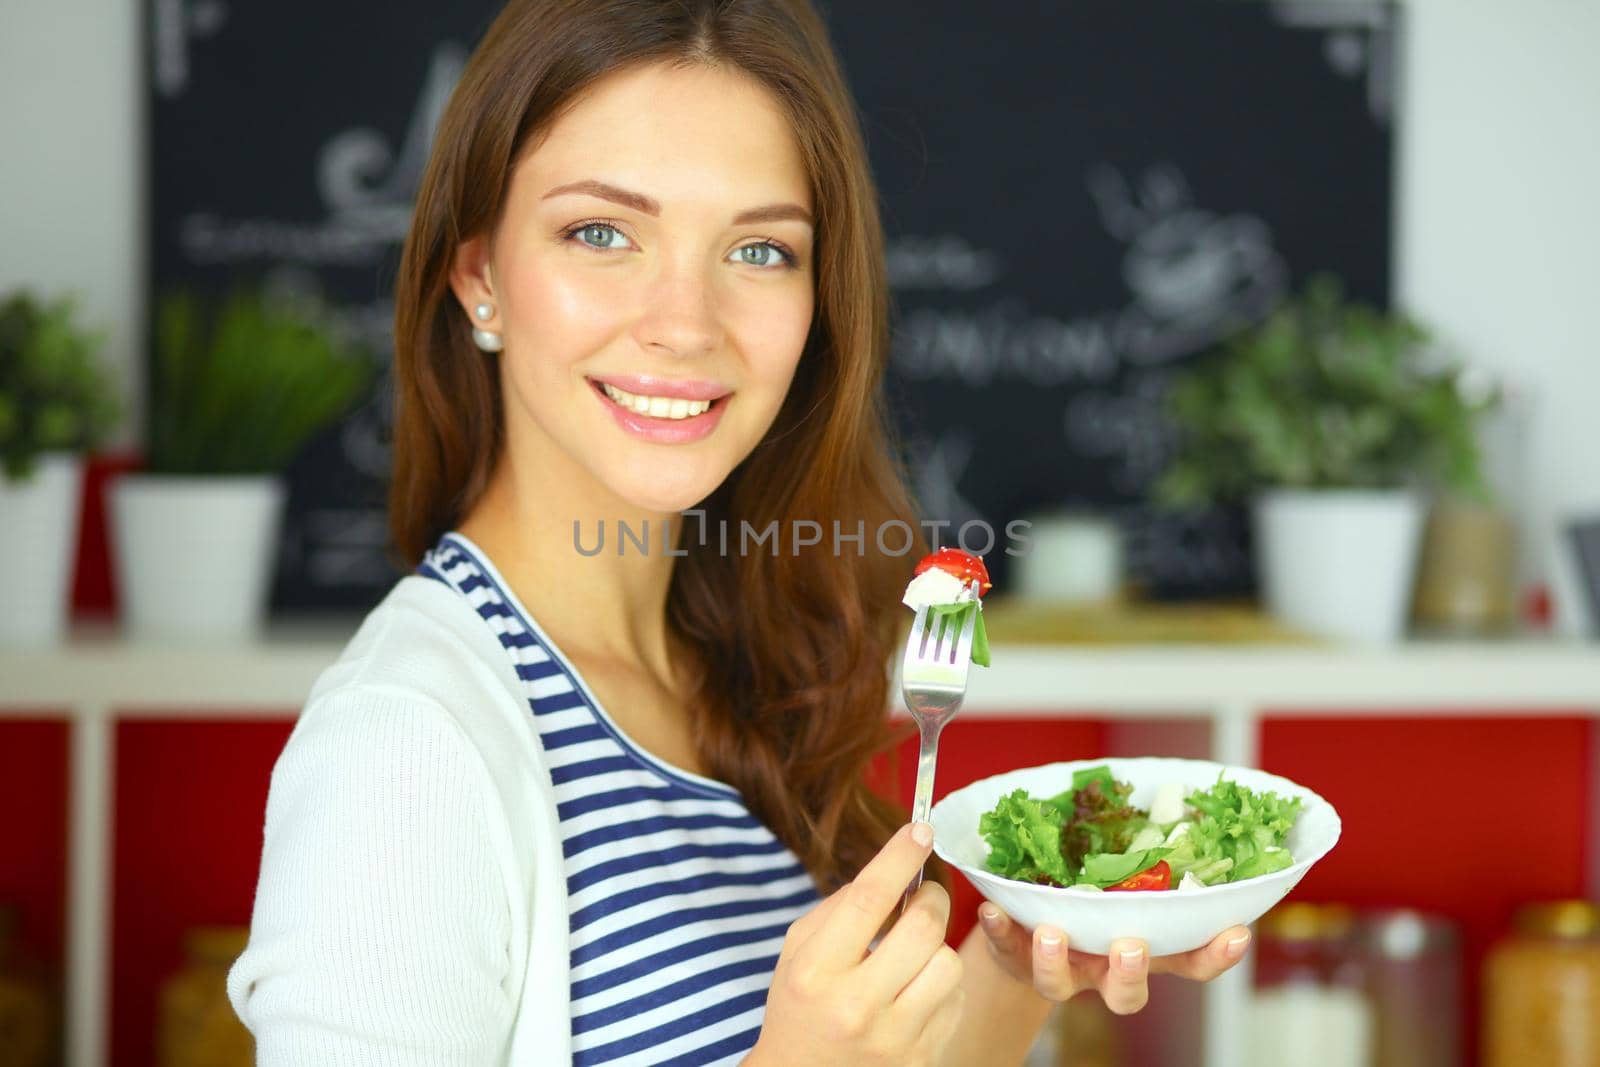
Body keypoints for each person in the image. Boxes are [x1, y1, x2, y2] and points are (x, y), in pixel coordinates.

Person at [226, 1, 1251, 1063]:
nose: (686, 322)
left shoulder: (730, 661)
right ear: (479, 277)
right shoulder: (404, 744)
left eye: (759, 249)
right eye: (601, 232)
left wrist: (1012, 962)